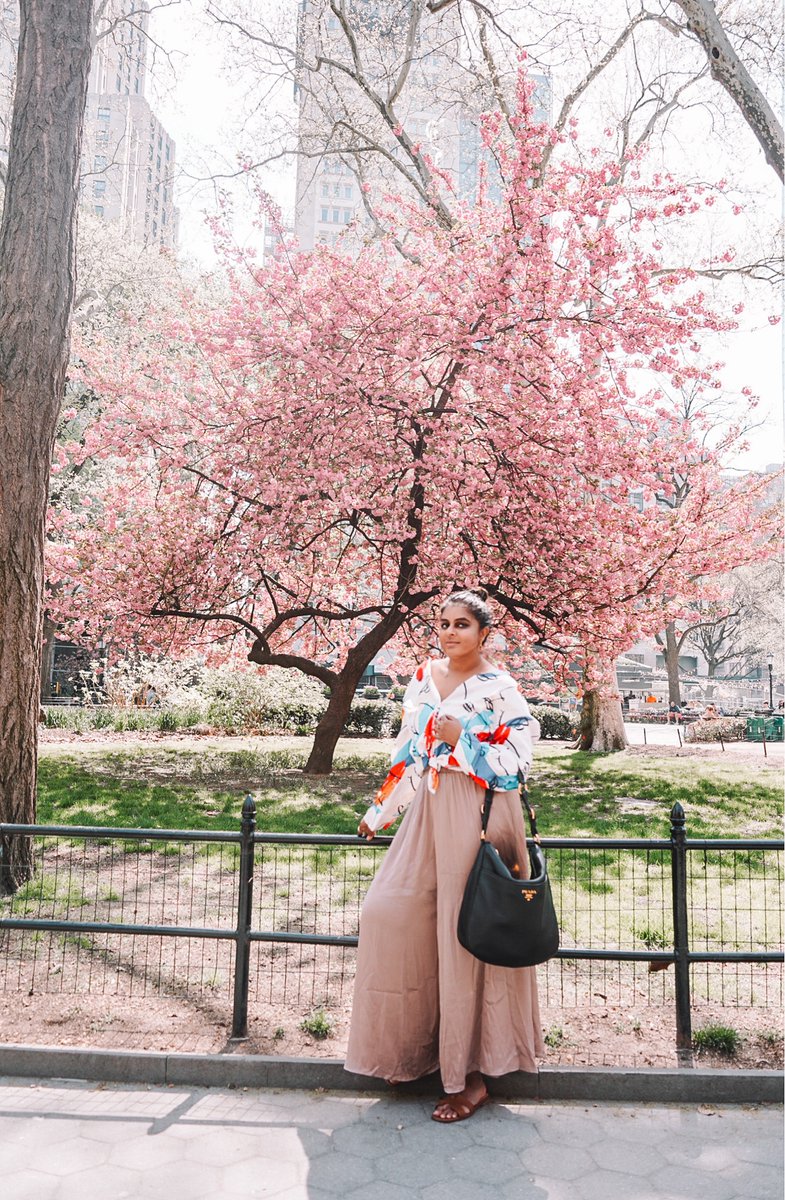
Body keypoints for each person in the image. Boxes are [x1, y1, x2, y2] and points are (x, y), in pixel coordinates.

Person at [344, 588, 544, 1123]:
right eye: (444, 623)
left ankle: (469, 1078)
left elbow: (516, 765)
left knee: (466, 937)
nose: (451, 632)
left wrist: (465, 738)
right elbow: (410, 751)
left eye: (462, 624)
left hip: (478, 813)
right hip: (428, 811)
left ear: (484, 634)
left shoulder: (500, 687)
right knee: (389, 913)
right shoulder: (423, 678)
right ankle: (408, 1050)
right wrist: (380, 810)